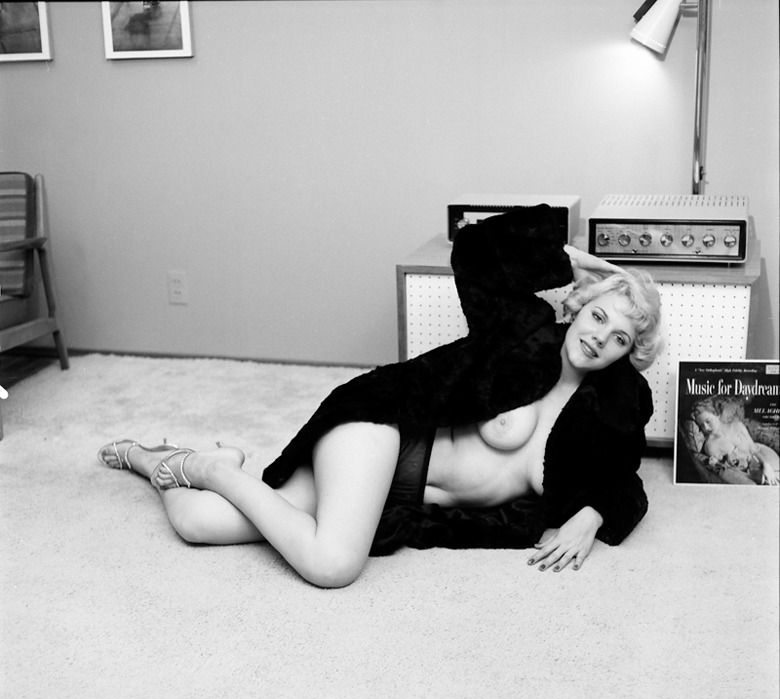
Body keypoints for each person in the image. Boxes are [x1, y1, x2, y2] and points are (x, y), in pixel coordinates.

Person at [98, 206, 663, 588]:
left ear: (628, 353)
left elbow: (626, 482)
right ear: (577, 307)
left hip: (396, 493)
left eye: (620, 337)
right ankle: (211, 469)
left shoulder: (607, 410)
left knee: (198, 522)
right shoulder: (523, 331)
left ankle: (159, 459)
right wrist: (562, 259)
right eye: (598, 316)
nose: (600, 338)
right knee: (333, 564)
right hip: (385, 427)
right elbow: (473, 250)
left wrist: (591, 516)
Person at [692, 395, 779, 485]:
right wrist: (753, 477)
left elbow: (753, 449)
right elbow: (729, 470)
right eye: (701, 425)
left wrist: (766, 464)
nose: (706, 427)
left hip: (759, 455)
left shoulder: (737, 426)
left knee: (774, 474)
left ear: (717, 414)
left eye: (708, 421)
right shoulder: (710, 446)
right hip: (745, 472)